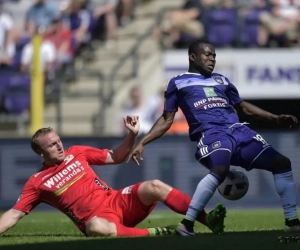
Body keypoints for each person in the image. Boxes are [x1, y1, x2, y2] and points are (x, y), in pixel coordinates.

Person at [127, 39, 300, 236]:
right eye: (207, 54)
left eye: (214, 56)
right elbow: (167, 119)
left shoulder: (222, 80)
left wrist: (275, 118)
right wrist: (142, 141)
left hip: (239, 131)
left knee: (281, 162)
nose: (212, 59)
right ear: (193, 57)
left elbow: (243, 108)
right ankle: (187, 224)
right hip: (211, 133)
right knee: (220, 169)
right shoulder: (178, 82)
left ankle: (292, 220)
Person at [0, 115, 226, 237]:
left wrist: (131, 135)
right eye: (52, 145)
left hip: (117, 201)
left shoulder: (76, 152)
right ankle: (155, 233)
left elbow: (116, 156)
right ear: (41, 152)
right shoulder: (37, 182)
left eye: (59, 141)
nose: (59, 146)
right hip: (98, 220)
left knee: (154, 185)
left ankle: (210, 221)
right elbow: (13, 214)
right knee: (96, 228)